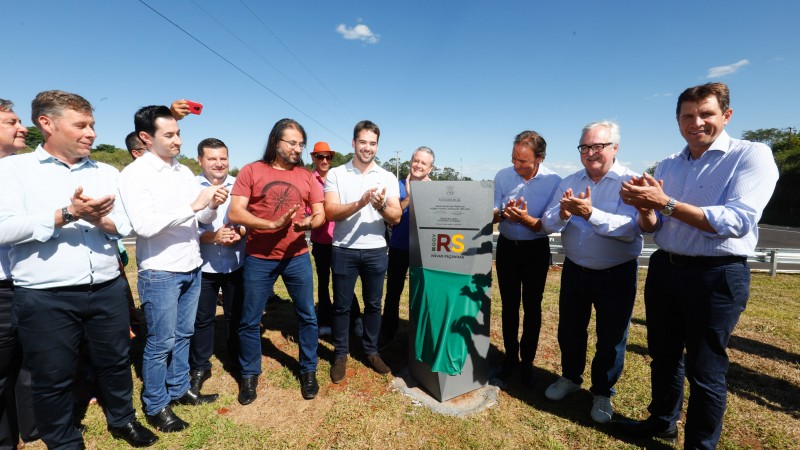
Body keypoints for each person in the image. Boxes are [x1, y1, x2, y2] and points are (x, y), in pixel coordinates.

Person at [619, 82, 779, 448]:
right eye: (688, 116)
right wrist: (646, 209)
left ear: (726, 115)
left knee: (705, 369)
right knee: (663, 356)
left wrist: (666, 202)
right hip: (666, 268)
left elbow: (736, 220)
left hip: (717, 273)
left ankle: (700, 445)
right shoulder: (669, 164)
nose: (697, 122)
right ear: (678, 121)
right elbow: (655, 228)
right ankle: (662, 422)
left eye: (706, 113)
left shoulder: (751, 155)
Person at [0, 91, 157, 448]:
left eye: (93, 125)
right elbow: (3, 229)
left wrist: (102, 220)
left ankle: (123, 420)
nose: (91, 133)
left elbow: (130, 225)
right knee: (53, 375)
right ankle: (63, 440)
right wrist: (66, 214)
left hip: (105, 287)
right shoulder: (13, 170)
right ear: (47, 124)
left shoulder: (107, 171)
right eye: (81, 125)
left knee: (115, 361)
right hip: (44, 296)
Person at [118, 105, 227, 433]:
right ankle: (155, 404)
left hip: (192, 263)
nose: (178, 139)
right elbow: (145, 225)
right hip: (160, 270)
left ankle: (179, 389)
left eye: (178, 133)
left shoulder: (182, 172)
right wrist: (194, 204)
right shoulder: (135, 175)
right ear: (146, 138)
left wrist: (210, 206)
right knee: (160, 341)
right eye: (170, 134)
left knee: (184, 334)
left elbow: (199, 220)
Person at [541, 121, 642, 423]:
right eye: (585, 147)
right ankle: (570, 378)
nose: (591, 152)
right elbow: (548, 222)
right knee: (570, 329)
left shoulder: (630, 182)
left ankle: (602, 392)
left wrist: (590, 213)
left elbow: (630, 229)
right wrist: (563, 212)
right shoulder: (570, 180)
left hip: (616, 272)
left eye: (598, 146)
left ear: (615, 148)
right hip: (575, 269)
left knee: (611, 337)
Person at [228, 118, 325, 402]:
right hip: (259, 258)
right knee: (249, 319)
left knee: (307, 315)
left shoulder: (307, 176)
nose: (298, 148)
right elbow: (235, 212)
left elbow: (319, 213)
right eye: (292, 143)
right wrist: (269, 225)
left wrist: (309, 223)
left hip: (297, 256)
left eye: (301, 144)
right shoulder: (251, 171)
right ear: (276, 142)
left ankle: (308, 370)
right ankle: (249, 375)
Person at [323, 120, 401, 384]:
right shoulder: (336, 174)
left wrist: (379, 207)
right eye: (363, 142)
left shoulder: (387, 176)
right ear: (354, 143)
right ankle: (341, 354)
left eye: (373, 143)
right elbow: (331, 211)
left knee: (373, 304)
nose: (368, 148)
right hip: (344, 249)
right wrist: (361, 202)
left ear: (377, 146)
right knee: (342, 306)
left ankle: (370, 350)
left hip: (376, 250)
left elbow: (396, 216)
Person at [492, 130, 561, 386]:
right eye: (513, 159)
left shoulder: (555, 181)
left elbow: (550, 225)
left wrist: (527, 219)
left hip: (535, 249)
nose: (516, 165)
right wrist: (502, 215)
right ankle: (510, 357)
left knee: (532, 306)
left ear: (539, 159)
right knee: (509, 305)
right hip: (508, 246)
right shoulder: (502, 176)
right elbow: (492, 212)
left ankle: (528, 361)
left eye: (523, 162)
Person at [189, 138, 245, 397]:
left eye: (223, 158)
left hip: (236, 262)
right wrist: (213, 237)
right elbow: (184, 229)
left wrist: (240, 232)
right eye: (212, 159)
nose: (219, 163)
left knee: (236, 314)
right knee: (202, 318)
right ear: (200, 160)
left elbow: (249, 221)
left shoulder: (240, 185)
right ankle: (200, 366)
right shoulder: (190, 187)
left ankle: (235, 357)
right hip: (203, 264)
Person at [0, 99, 39, 449]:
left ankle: (32, 425)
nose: (22, 127)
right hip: (1, 286)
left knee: (31, 360)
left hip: (30, 282)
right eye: (11, 121)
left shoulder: (24, 171)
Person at [378, 146, 435, 349]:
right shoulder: (397, 186)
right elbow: (393, 218)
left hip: (425, 251)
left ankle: (420, 337)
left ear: (430, 168)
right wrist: (410, 197)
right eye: (415, 160)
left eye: (423, 163)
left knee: (423, 295)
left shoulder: (435, 190)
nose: (418, 165)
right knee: (393, 293)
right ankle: (387, 333)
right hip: (399, 247)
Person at [309, 142, 361, 338]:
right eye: (320, 157)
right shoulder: (309, 180)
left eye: (328, 157)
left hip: (341, 240)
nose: (324, 160)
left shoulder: (339, 178)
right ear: (313, 158)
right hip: (321, 240)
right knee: (323, 283)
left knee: (344, 283)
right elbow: (308, 209)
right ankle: (324, 321)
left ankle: (355, 319)